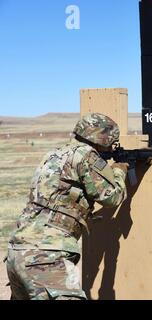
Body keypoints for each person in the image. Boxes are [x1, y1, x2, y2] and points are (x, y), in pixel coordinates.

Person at [4, 113, 128, 300]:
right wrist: (119, 170)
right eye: (111, 142)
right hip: (45, 255)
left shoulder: (54, 153)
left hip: (18, 252)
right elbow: (111, 197)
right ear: (103, 138)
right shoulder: (86, 155)